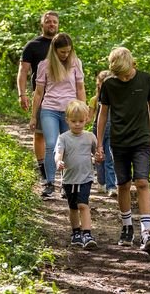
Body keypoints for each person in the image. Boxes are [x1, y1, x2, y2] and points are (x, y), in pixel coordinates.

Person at [95, 47, 150, 252]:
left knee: (142, 182)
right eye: (119, 76)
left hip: (141, 140)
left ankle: (147, 232)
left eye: (126, 75)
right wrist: (98, 144)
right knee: (123, 185)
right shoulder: (109, 84)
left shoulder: (146, 80)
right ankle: (127, 227)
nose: (123, 79)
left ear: (133, 64)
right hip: (118, 141)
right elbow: (103, 114)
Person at [30, 32, 86, 197]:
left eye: (68, 51)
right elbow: (39, 93)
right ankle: (49, 183)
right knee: (52, 144)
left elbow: (80, 89)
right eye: (62, 52)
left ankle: (66, 184)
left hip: (70, 111)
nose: (66, 54)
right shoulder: (44, 65)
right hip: (49, 109)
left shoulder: (76, 63)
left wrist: (84, 109)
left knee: (67, 147)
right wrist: (34, 116)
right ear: (54, 50)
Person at [17, 11, 59, 181]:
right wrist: (22, 94)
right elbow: (23, 71)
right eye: (48, 22)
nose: (52, 25)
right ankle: (43, 169)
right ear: (42, 25)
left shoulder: (62, 43)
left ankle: (62, 170)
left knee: (63, 135)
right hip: (41, 96)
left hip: (63, 96)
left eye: (55, 22)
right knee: (40, 134)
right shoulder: (33, 45)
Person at [55, 99, 98, 249]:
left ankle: (87, 233)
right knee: (73, 207)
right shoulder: (63, 137)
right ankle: (76, 232)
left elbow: (97, 153)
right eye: (74, 121)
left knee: (83, 204)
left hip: (86, 177)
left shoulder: (90, 137)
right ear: (67, 120)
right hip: (69, 179)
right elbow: (58, 153)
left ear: (86, 119)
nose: (78, 124)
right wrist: (58, 161)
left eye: (81, 121)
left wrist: (99, 157)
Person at [89, 70, 116, 196]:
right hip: (97, 131)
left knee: (109, 158)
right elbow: (89, 118)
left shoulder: (116, 99)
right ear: (98, 84)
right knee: (99, 158)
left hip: (112, 131)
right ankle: (101, 182)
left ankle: (112, 186)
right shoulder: (94, 100)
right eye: (101, 84)